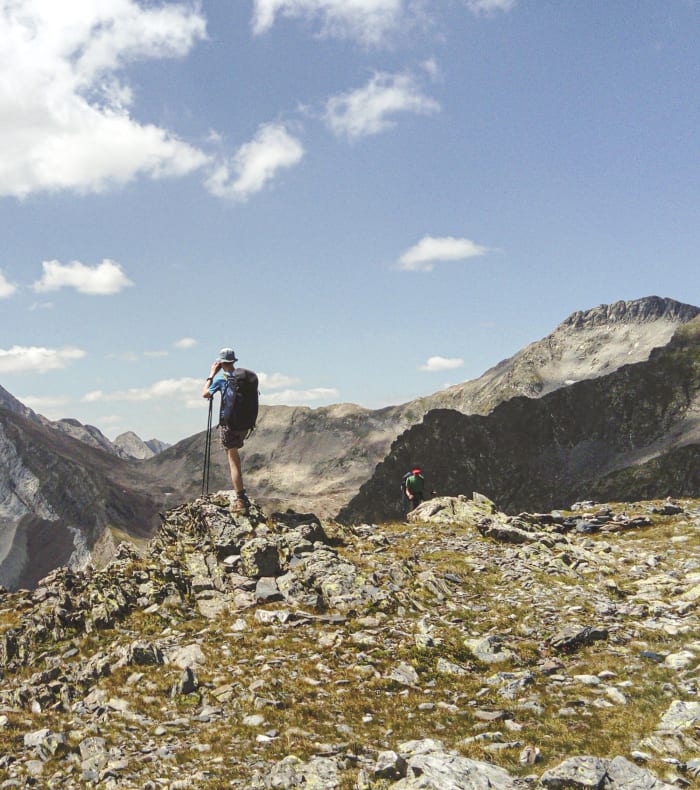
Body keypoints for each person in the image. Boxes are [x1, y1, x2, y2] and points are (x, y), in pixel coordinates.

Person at [202, 348, 250, 513]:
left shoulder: (221, 379)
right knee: (235, 457)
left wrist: (211, 374)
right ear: (234, 361)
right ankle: (241, 496)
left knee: (233, 462)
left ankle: (241, 500)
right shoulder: (243, 378)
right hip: (244, 425)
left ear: (221, 363)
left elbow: (205, 394)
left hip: (229, 425)